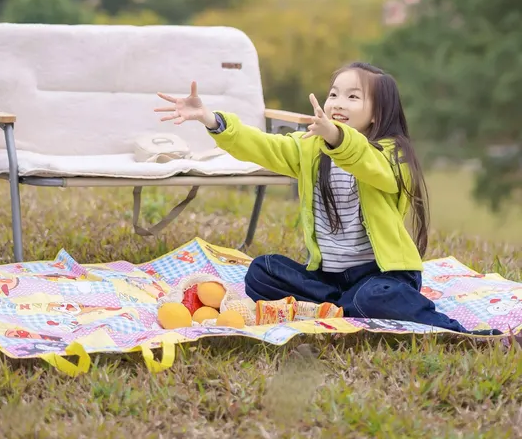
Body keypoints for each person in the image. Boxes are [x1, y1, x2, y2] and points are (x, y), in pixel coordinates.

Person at [155, 62, 500, 335]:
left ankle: (452, 329)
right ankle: (342, 307)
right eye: (334, 94)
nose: (338, 102)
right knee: (261, 272)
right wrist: (212, 120)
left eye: (353, 97)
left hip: (382, 276)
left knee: (373, 296)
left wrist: (336, 136)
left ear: (377, 114)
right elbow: (263, 145)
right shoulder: (311, 148)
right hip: (329, 279)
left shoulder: (392, 155)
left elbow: (366, 161)